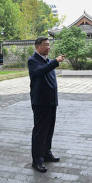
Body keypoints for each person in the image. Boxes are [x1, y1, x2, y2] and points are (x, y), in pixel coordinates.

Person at [28, 37, 66, 172]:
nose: (48, 47)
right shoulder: (33, 61)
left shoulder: (48, 61)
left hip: (51, 101)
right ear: (37, 47)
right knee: (40, 131)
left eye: (49, 45)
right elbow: (40, 72)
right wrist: (56, 61)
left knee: (49, 129)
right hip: (40, 102)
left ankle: (46, 153)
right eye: (45, 45)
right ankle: (37, 160)